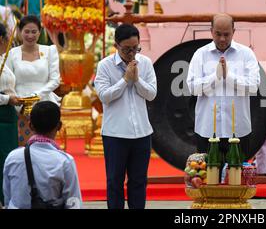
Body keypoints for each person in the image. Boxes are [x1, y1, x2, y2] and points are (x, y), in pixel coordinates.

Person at [94, 24, 157, 209]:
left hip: (142, 133)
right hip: (115, 134)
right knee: (114, 182)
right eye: (127, 49)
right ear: (116, 45)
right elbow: (104, 96)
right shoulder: (105, 66)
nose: (132, 53)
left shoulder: (145, 62)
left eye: (135, 48)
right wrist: (125, 80)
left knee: (138, 181)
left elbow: (152, 94)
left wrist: (137, 80)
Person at [187, 14, 260, 164]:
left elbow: (254, 86)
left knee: (236, 181)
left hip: (238, 129)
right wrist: (215, 77)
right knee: (207, 180)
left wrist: (229, 76)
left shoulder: (246, 54)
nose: (222, 39)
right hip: (207, 129)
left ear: (234, 31)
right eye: (218, 34)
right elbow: (192, 88)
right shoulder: (200, 54)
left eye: (226, 34)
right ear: (211, 31)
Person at [3, 101, 82, 209]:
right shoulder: (65, 161)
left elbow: (7, 198)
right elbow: (74, 203)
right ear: (59, 126)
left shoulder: (13, 157)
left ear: (30, 125)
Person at [5, 15, 60, 146]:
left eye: (34, 32)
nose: (30, 35)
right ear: (19, 32)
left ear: (39, 32)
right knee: (21, 145)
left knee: (44, 145)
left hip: (44, 105)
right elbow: (7, 81)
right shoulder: (12, 53)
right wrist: (17, 99)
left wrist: (36, 96)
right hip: (19, 105)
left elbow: (55, 80)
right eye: (27, 31)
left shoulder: (50, 50)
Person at [0, 23, 22, 206]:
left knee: (8, 159)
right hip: (1, 114)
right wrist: (8, 100)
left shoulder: (3, 60)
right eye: (8, 36)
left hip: (8, 116)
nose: (10, 40)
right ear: (1, 39)